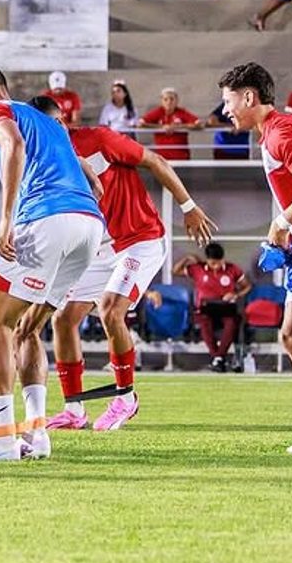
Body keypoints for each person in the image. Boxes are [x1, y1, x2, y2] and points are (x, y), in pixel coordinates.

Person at [27, 95, 214, 433]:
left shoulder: (98, 139)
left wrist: (188, 208)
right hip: (99, 248)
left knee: (111, 310)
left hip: (141, 239)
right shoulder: (44, 160)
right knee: (63, 319)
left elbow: (156, 161)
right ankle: (74, 410)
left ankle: (126, 398)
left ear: (58, 123)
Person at [0, 61, 105, 461]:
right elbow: (90, 174)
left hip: (45, 219)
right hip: (88, 225)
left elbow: (13, 146)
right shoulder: (45, 120)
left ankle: (4, 439)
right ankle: (38, 436)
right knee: (27, 328)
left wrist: (5, 219)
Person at [217, 62, 292, 453]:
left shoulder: (282, 130)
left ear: (249, 97)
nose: (225, 110)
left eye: (228, 101)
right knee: (291, 338)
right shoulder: (272, 134)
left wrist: (281, 223)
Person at [174, 244, 251, 371]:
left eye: (218, 263)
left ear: (223, 259)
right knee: (204, 322)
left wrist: (236, 294)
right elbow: (175, 271)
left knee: (232, 323)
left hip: (226, 307)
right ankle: (219, 358)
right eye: (212, 263)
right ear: (207, 259)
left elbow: (247, 286)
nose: (215, 266)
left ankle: (217, 358)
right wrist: (187, 258)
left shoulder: (232, 269)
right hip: (206, 308)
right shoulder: (198, 268)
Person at [139, 87, 203, 160]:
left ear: (177, 100)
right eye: (165, 99)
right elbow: (140, 124)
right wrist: (162, 127)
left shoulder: (182, 112)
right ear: (162, 101)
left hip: (181, 157)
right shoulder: (158, 112)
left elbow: (199, 124)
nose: (169, 102)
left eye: (172, 99)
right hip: (162, 158)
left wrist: (178, 127)